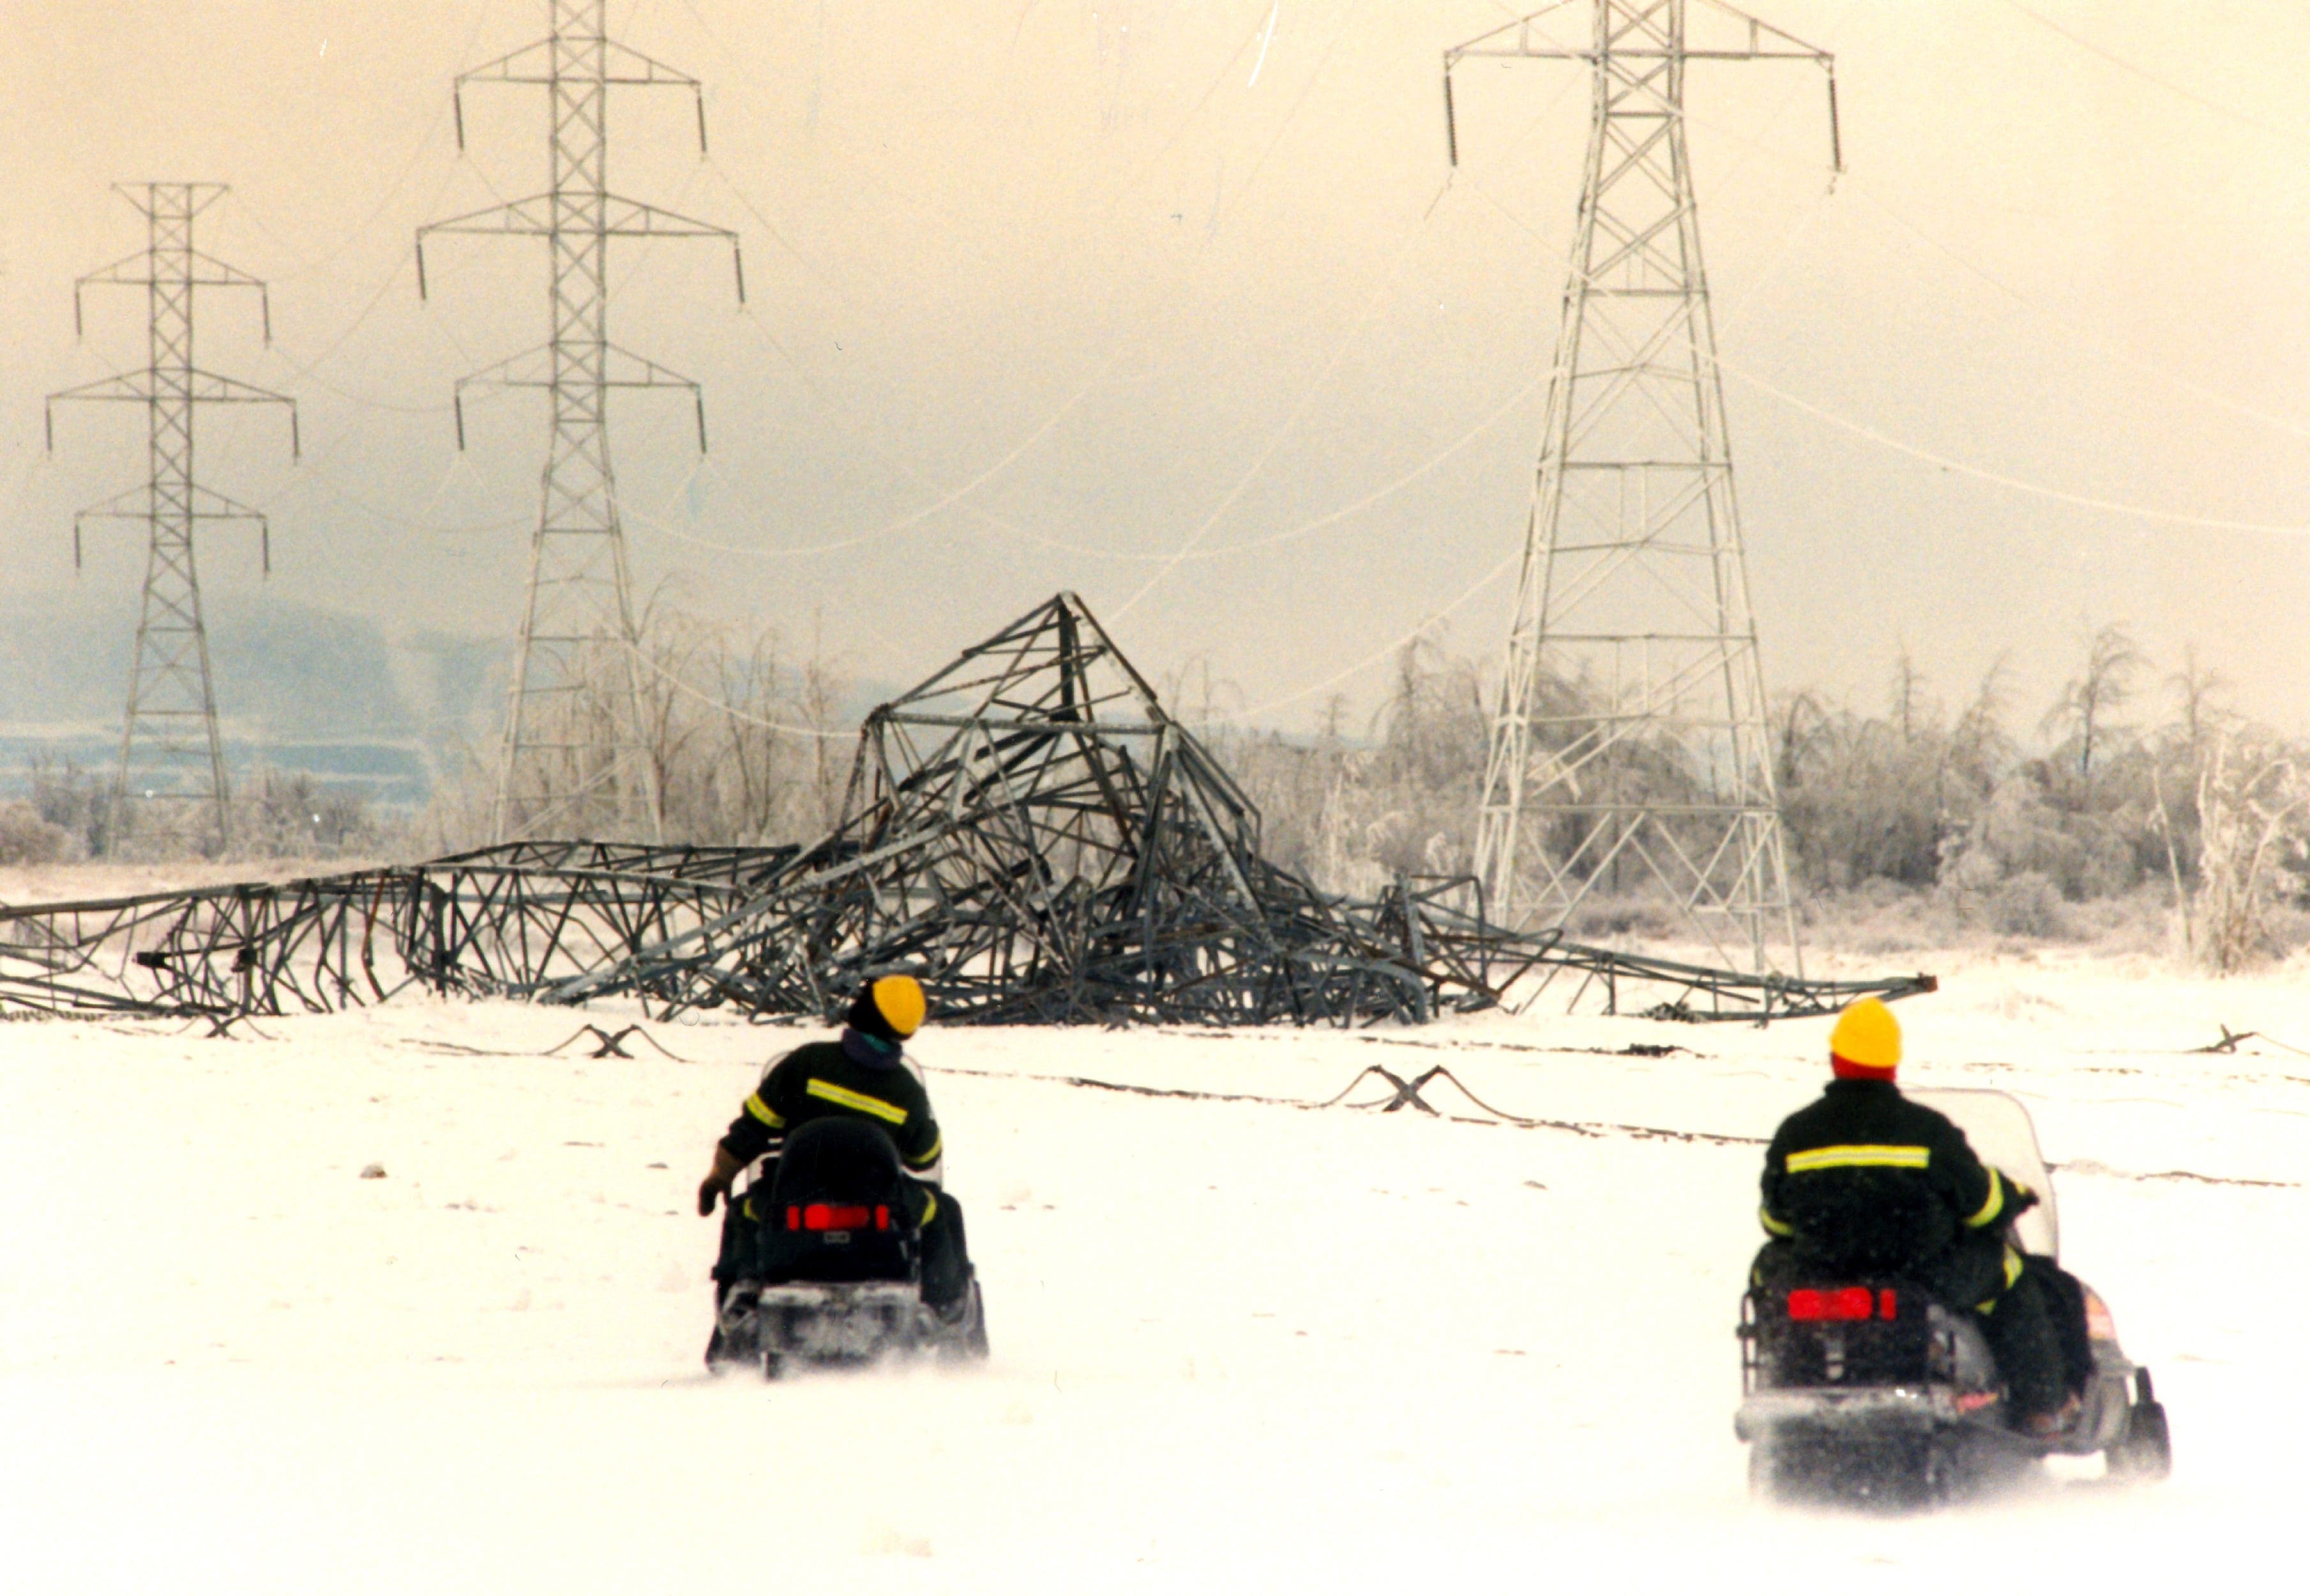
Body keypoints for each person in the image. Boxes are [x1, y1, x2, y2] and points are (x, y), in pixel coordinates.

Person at [1757, 996, 2075, 1432]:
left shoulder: (1796, 1134)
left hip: (1824, 1271)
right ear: (1892, 1064)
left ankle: (1789, 1373)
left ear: (1835, 1060)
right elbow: (1983, 1208)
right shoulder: (1927, 1131)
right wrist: (2012, 1196)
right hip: (1924, 1275)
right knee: (2012, 1273)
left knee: (1768, 1275)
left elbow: (1776, 1222)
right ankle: (2040, 1406)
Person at [697, 974, 974, 1317]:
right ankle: (944, 1304)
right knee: (942, 1209)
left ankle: (743, 1293)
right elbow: (924, 1157)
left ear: (862, 1011)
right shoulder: (906, 1091)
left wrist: (720, 1176)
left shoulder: (806, 1064)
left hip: (795, 1198)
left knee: (745, 1212)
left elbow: (752, 1127)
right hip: (879, 1205)